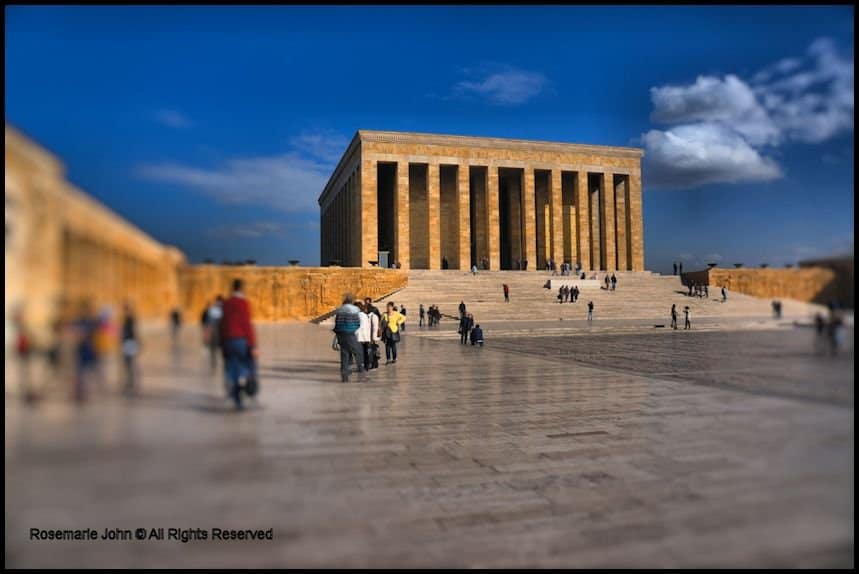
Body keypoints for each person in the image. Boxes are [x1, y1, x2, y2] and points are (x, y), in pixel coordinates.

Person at [220, 279, 258, 408]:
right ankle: (248, 390)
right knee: (248, 365)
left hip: (227, 340)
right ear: (241, 289)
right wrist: (253, 345)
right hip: (240, 339)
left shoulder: (226, 303)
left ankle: (235, 395)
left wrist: (222, 342)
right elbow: (246, 324)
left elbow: (222, 323)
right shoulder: (243, 303)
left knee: (231, 368)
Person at [333, 294, 366, 383]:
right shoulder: (355, 309)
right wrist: (354, 330)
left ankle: (344, 376)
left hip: (341, 335)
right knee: (358, 352)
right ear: (352, 301)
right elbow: (357, 323)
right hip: (350, 334)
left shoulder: (339, 309)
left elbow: (336, 323)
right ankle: (361, 371)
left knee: (344, 354)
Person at [120, 301, 139, 395]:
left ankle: (131, 381)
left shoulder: (129, 318)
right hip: (128, 342)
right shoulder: (128, 318)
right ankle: (130, 380)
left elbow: (131, 331)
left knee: (129, 362)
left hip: (129, 342)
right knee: (128, 362)